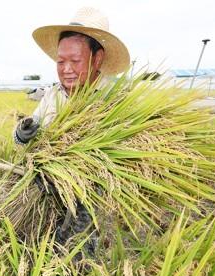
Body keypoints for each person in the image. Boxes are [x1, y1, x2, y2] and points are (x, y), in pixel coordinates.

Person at [13, 7, 130, 250]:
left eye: (75, 61)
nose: (66, 69)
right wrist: (22, 134)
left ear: (97, 59)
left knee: (84, 246)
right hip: (54, 187)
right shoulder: (53, 95)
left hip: (97, 194)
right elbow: (28, 136)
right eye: (61, 61)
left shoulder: (116, 99)